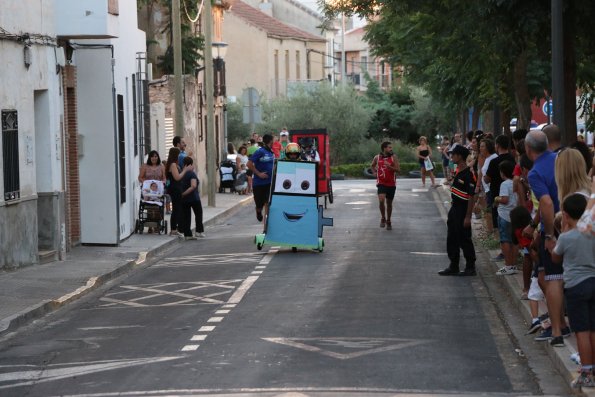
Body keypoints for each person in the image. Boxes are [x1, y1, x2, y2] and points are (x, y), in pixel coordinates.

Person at [523, 128, 570, 345]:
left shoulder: (535, 172)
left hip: (554, 228)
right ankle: (559, 322)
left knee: (552, 279)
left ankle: (558, 330)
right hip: (570, 221)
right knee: (543, 277)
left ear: (527, 148)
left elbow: (547, 203)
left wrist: (549, 234)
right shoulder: (560, 159)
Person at [551, 193, 595, 388]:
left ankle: (586, 372)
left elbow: (555, 258)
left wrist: (562, 230)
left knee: (582, 332)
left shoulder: (566, 237)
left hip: (576, 287)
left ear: (565, 215)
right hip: (594, 282)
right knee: (593, 329)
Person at [438, 145, 477, 276]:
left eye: (453, 154)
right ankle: (453, 265)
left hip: (463, 210)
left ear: (460, 156)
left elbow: (471, 196)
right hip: (454, 209)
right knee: (452, 237)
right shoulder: (458, 172)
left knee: (464, 238)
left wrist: (468, 216)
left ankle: (470, 267)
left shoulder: (468, 174)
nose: (451, 157)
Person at [485, 134, 515, 249]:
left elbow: (487, 179)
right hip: (513, 195)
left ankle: (502, 249)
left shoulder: (494, 161)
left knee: (499, 225)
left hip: (497, 194)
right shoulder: (512, 159)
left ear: (497, 145)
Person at [493, 161, 519, 275]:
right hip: (514, 215)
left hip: (504, 215)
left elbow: (505, 199)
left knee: (505, 240)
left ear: (502, 172)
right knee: (514, 241)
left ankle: (508, 266)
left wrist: (496, 198)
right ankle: (513, 265)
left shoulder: (505, 184)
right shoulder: (516, 182)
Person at [371, 141, 400, 231]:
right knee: (381, 200)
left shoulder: (393, 157)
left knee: (389, 203)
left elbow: (398, 170)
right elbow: (372, 166)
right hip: (381, 182)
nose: (391, 149)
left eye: (391, 147)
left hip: (391, 183)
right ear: (384, 148)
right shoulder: (377, 157)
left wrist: (390, 167)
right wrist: (374, 172)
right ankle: (383, 217)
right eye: (389, 147)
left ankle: (388, 220)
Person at [165, 147, 193, 236]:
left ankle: (175, 228)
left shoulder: (174, 164)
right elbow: (177, 177)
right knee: (176, 209)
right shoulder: (173, 165)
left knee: (178, 209)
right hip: (175, 189)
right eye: (178, 154)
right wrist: (185, 170)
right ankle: (173, 229)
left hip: (177, 188)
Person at [247, 134, 275, 223]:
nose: (274, 142)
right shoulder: (260, 151)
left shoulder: (271, 152)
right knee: (259, 205)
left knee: (268, 203)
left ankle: (266, 226)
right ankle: (258, 211)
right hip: (259, 183)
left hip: (269, 183)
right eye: (273, 140)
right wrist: (258, 174)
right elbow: (249, 164)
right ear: (270, 141)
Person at [180, 156, 205, 240]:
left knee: (186, 216)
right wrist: (184, 194)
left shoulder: (181, 174)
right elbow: (193, 186)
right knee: (198, 214)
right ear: (191, 164)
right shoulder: (191, 173)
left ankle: (187, 234)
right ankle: (199, 231)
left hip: (184, 200)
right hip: (194, 198)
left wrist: (182, 194)